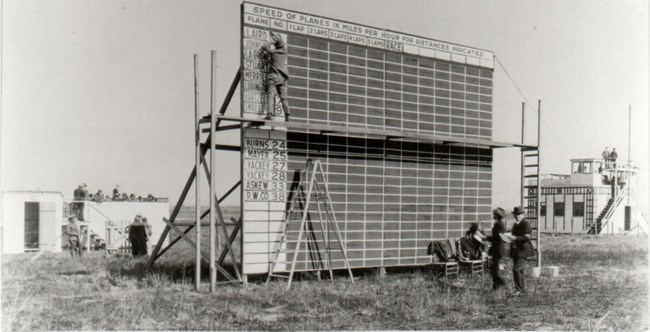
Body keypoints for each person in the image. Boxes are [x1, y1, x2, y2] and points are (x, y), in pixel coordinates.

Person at [262, 32, 290, 121]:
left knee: (270, 95)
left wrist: (271, 40)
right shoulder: (285, 51)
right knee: (284, 98)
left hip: (273, 77)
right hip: (283, 78)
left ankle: (270, 114)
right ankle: (287, 115)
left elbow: (265, 46)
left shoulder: (272, 52)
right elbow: (281, 43)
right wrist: (277, 38)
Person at [510, 206, 534, 295]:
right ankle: (521, 289)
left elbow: (527, 236)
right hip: (517, 250)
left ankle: (519, 290)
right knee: (519, 270)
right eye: (515, 214)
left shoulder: (526, 223)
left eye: (519, 214)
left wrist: (515, 238)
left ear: (523, 214)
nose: (517, 216)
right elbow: (514, 234)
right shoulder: (516, 224)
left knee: (516, 269)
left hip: (523, 250)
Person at [487, 208, 507, 290]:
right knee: (494, 269)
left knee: (494, 270)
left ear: (497, 216)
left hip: (497, 249)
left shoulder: (498, 225)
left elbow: (496, 238)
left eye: (494, 214)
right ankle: (495, 287)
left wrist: (486, 238)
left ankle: (501, 282)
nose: (493, 216)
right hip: (498, 249)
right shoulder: (501, 224)